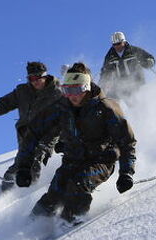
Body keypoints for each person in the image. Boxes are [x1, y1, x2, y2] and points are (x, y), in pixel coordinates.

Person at [14, 63, 136, 224]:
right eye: (67, 90)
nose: (72, 96)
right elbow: (34, 132)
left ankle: (69, 222)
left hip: (101, 161)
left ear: (86, 87)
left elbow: (126, 141)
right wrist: (24, 166)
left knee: (79, 183)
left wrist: (126, 173)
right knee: (54, 193)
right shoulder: (62, 107)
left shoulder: (105, 108)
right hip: (72, 160)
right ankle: (28, 229)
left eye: (76, 90)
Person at [0, 61, 62, 191]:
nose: (34, 81)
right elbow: (6, 102)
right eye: (31, 78)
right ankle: (6, 190)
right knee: (21, 161)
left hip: (48, 133)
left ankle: (29, 191)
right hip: (26, 132)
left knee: (35, 157)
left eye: (37, 77)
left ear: (45, 76)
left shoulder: (57, 93)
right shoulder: (22, 91)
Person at [99, 31, 156, 99]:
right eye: (114, 44)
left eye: (119, 43)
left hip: (136, 83)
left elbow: (150, 58)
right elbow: (105, 71)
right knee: (108, 101)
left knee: (138, 102)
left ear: (124, 42)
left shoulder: (133, 51)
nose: (117, 46)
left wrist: (148, 63)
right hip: (119, 85)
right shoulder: (110, 56)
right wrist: (102, 83)